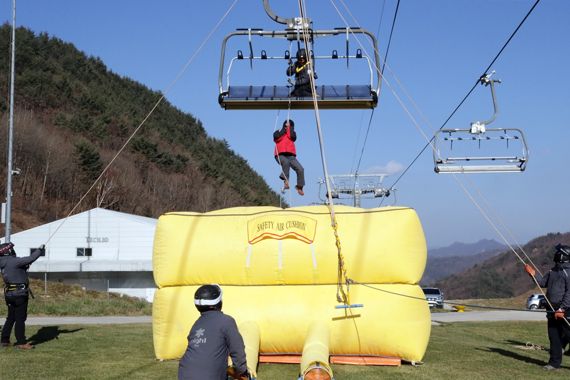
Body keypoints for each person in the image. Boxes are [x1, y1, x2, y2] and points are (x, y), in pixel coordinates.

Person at [178, 284, 249, 380]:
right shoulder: (226, 321)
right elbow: (237, 350)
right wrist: (242, 371)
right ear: (219, 302)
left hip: (184, 373)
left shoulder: (196, 324)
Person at [524, 243, 570, 370]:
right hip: (551, 309)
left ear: (563, 256)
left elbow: (569, 293)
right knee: (553, 336)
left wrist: (562, 309)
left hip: (565, 310)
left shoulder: (568, 272)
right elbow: (542, 283)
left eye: (558, 253)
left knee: (568, 335)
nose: (555, 255)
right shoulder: (553, 271)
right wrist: (532, 274)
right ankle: (554, 363)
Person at [1, 242, 44, 350]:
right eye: (12, 249)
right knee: (20, 318)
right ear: (8, 251)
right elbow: (31, 258)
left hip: (9, 294)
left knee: (11, 317)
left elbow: (16, 270)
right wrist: (40, 250)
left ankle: (4, 340)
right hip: (19, 294)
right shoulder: (14, 261)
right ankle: (21, 342)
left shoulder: (3, 262)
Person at [273, 119, 305, 196]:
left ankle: (299, 186)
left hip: (291, 155)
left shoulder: (293, 133)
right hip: (280, 154)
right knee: (286, 163)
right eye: (287, 125)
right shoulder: (278, 131)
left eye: (290, 125)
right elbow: (276, 138)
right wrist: (284, 129)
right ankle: (286, 181)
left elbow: (292, 137)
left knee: (300, 169)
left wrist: (289, 129)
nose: (287, 126)